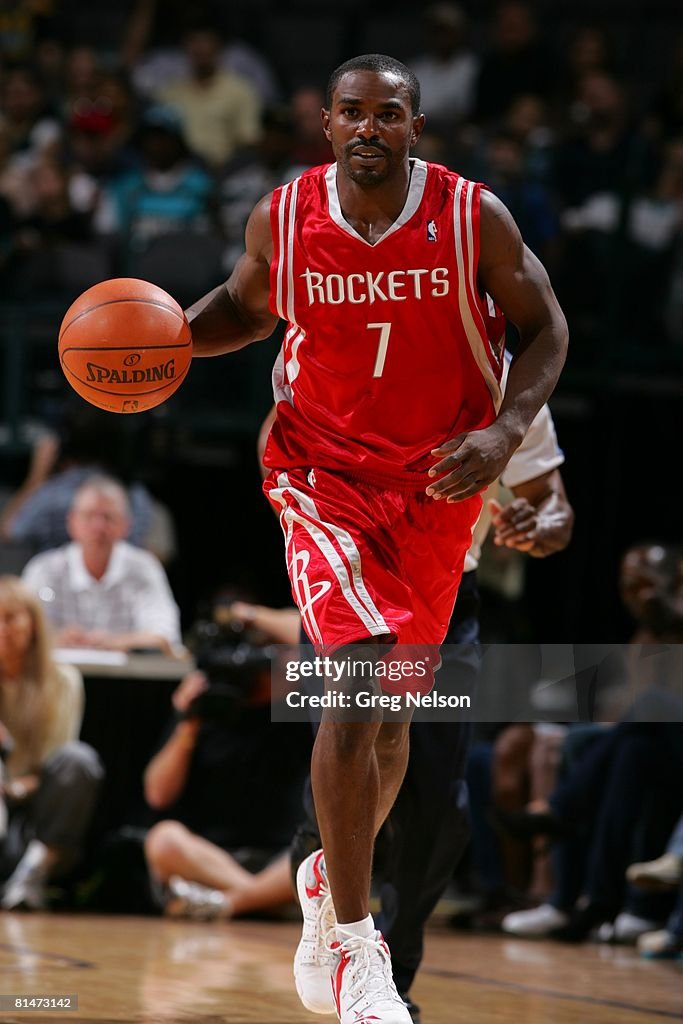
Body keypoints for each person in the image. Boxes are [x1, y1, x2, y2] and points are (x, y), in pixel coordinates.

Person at [185, 53, 568, 1024]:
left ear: (414, 126)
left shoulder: (469, 218)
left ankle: (323, 882)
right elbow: (241, 306)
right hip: (320, 474)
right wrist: (166, 338)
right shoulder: (281, 216)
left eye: (386, 114)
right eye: (350, 112)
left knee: (393, 724)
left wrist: (497, 432)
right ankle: (359, 946)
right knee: (352, 674)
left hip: (437, 488)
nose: (367, 128)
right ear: (325, 124)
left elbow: (547, 327)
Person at [0, 575, 103, 911]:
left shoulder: (62, 680)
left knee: (78, 760)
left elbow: (53, 764)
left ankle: (35, 871)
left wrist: (14, 788)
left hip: (35, 807)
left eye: (11, 618)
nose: (3, 629)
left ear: (33, 624)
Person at [22, 476, 181, 654]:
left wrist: (116, 641)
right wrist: (57, 637)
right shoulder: (44, 568)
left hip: (126, 678)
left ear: (126, 525)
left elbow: (165, 637)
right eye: (89, 516)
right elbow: (21, 632)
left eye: (108, 517)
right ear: (72, 522)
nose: (98, 526)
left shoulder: (144, 567)